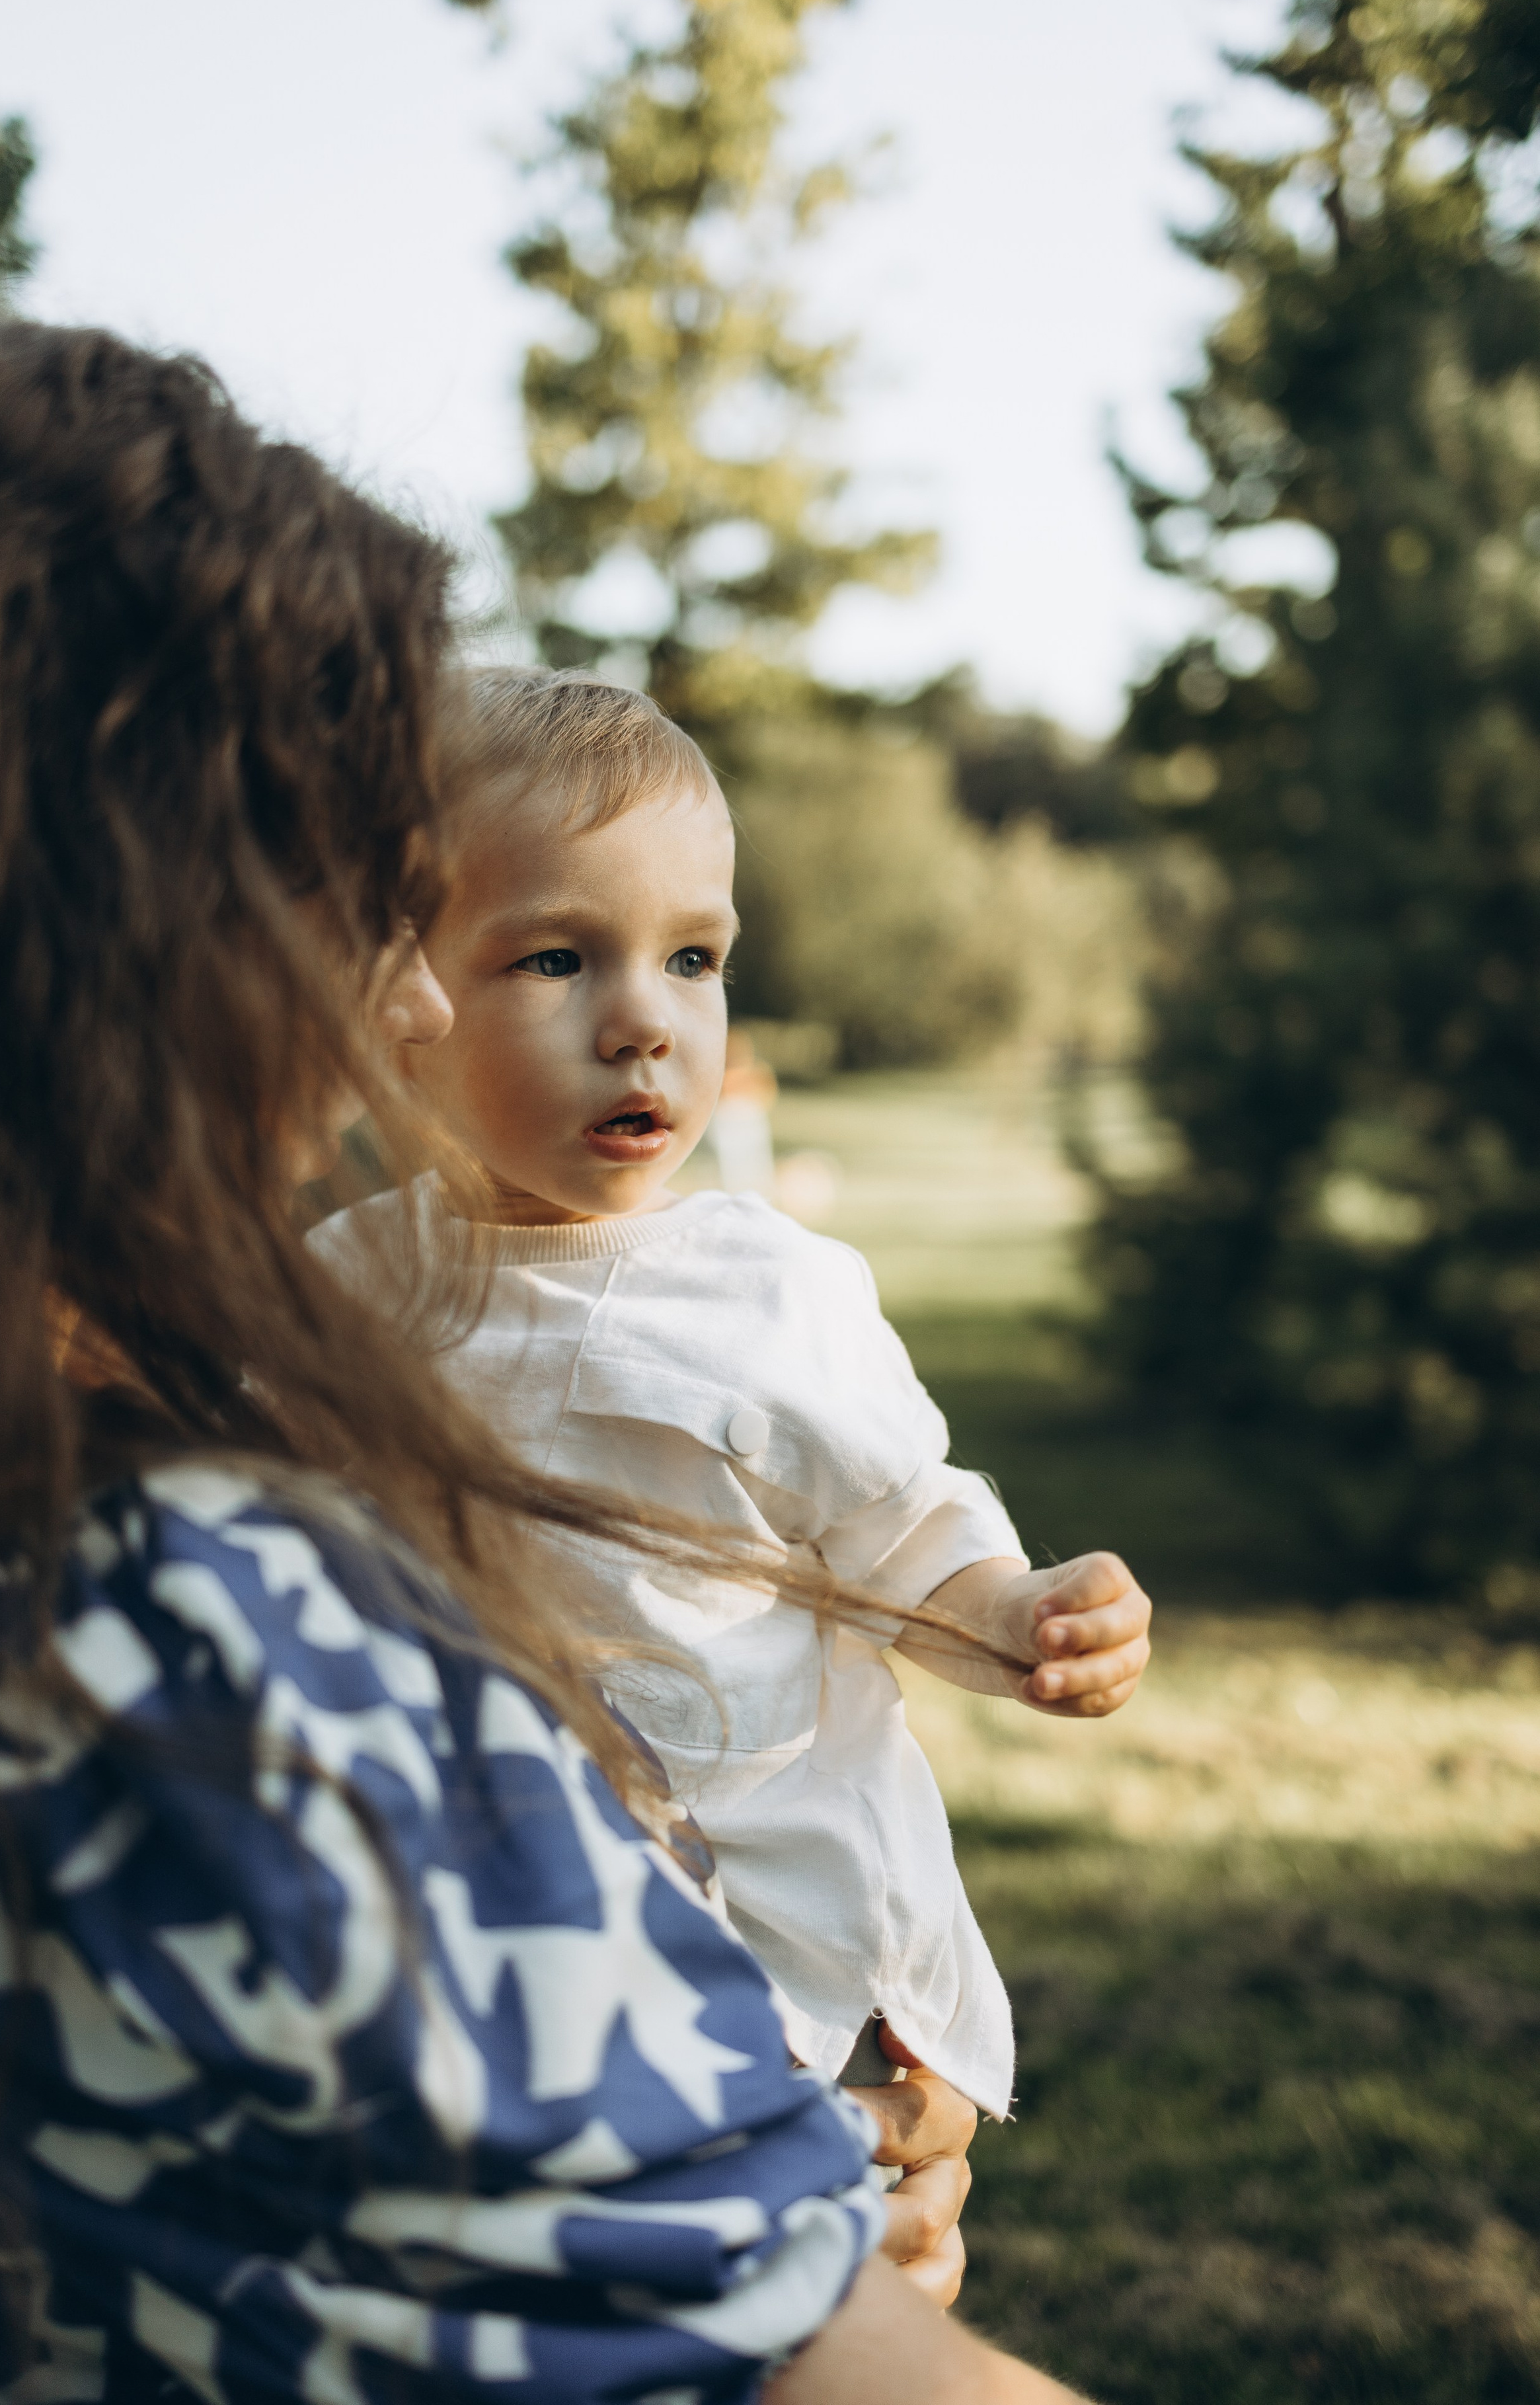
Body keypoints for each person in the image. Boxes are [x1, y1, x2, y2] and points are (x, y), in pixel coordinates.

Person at [0, 317, 1093, 2404]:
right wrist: (781, 2225)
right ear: (123, 950)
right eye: (349, 910)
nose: (403, 1023)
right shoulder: (177, 1665)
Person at [310, 670, 1153, 2126]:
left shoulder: (768, 1293)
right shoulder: (339, 1283)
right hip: (497, 1933)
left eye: (692, 960)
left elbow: (895, 1538)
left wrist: (1016, 1615)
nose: (644, 1023)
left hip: (766, 1938)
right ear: (401, 992)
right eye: (555, 961)